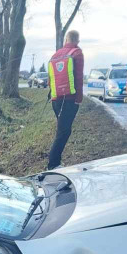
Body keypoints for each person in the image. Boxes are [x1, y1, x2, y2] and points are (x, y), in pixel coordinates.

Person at [46, 29, 84, 170]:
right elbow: (79, 77)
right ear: (77, 41)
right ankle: (53, 164)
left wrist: (52, 95)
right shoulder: (77, 53)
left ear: (66, 40)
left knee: (63, 130)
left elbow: (50, 80)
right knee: (63, 132)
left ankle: (55, 162)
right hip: (69, 99)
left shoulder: (55, 56)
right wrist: (78, 98)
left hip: (56, 100)